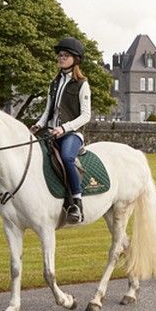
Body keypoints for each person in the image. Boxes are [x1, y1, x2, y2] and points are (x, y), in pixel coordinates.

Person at [30, 36, 93, 224]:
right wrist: (39, 125)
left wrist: (64, 128)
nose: (61, 58)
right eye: (60, 55)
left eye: (65, 55)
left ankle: (76, 203)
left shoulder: (82, 84)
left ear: (75, 59)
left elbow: (86, 115)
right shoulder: (54, 83)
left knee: (66, 157)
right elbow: (48, 110)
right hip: (50, 131)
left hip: (72, 134)